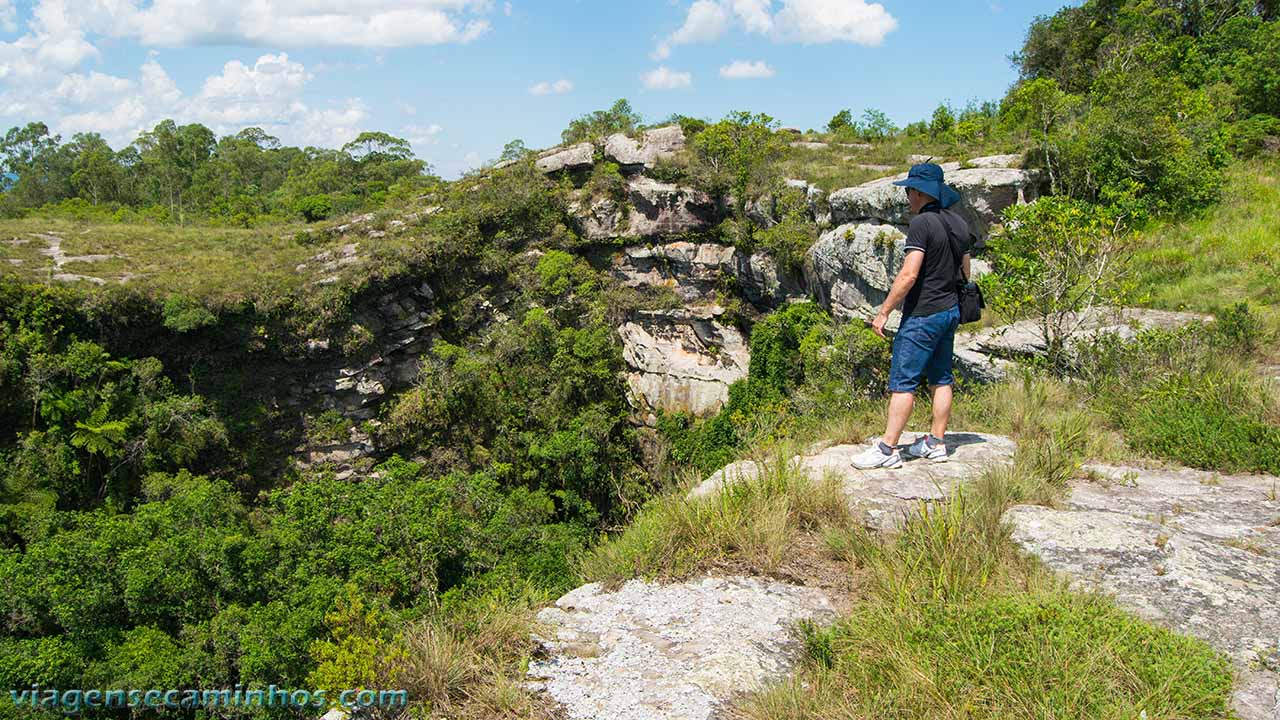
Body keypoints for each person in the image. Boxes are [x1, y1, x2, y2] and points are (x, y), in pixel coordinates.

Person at [852, 163, 973, 470]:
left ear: (919, 192)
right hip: (950, 311)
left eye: (908, 190)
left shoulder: (921, 224)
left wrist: (883, 313)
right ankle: (935, 443)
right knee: (941, 377)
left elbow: (908, 274)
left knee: (903, 382)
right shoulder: (959, 223)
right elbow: (966, 271)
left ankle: (887, 449)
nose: (907, 195)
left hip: (922, 314)